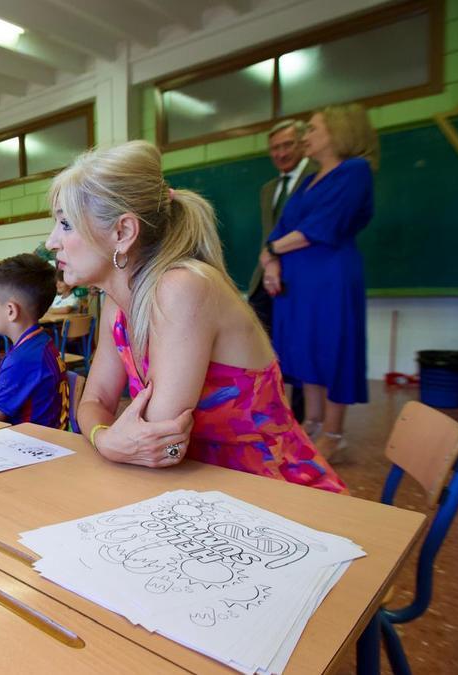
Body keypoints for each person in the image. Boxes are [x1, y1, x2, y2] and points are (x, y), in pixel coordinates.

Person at [48, 140, 345, 493]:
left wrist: (110, 439)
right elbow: (94, 401)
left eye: (66, 225)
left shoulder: (182, 286)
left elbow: (161, 443)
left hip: (277, 495)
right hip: (200, 492)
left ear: (123, 232)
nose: (52, 241)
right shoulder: (117, 299)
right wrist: (105, 438)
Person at [261, 104, 377, 463]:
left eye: (311, 129)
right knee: (304, 349)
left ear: (338, 131)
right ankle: (311, 422)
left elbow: (320, 227)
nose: (305, 137)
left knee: (332, 348)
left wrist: (271, 249)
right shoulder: (309, 179)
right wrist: (270, 262)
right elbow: (280, 230)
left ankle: (334, 433)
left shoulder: (354, 171)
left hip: (329, 276)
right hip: (295, 280)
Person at [250, 120, 313, 423]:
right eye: (275, 147)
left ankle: (298, 418)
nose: (280, 152)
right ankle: (266, 409)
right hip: (264, 275)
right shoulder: (268, 189)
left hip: (301, 277)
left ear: (303, 143)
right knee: (258, 340)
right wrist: (268, 263)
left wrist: (277, 257)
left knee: (299, 348)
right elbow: (268, 233)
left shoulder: (317, 179)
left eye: (287, 145)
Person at [0, 254, 68, 428]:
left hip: (34, 445)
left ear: (10, 311)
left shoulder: (21, 360)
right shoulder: (42, 341)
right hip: (54, 437)